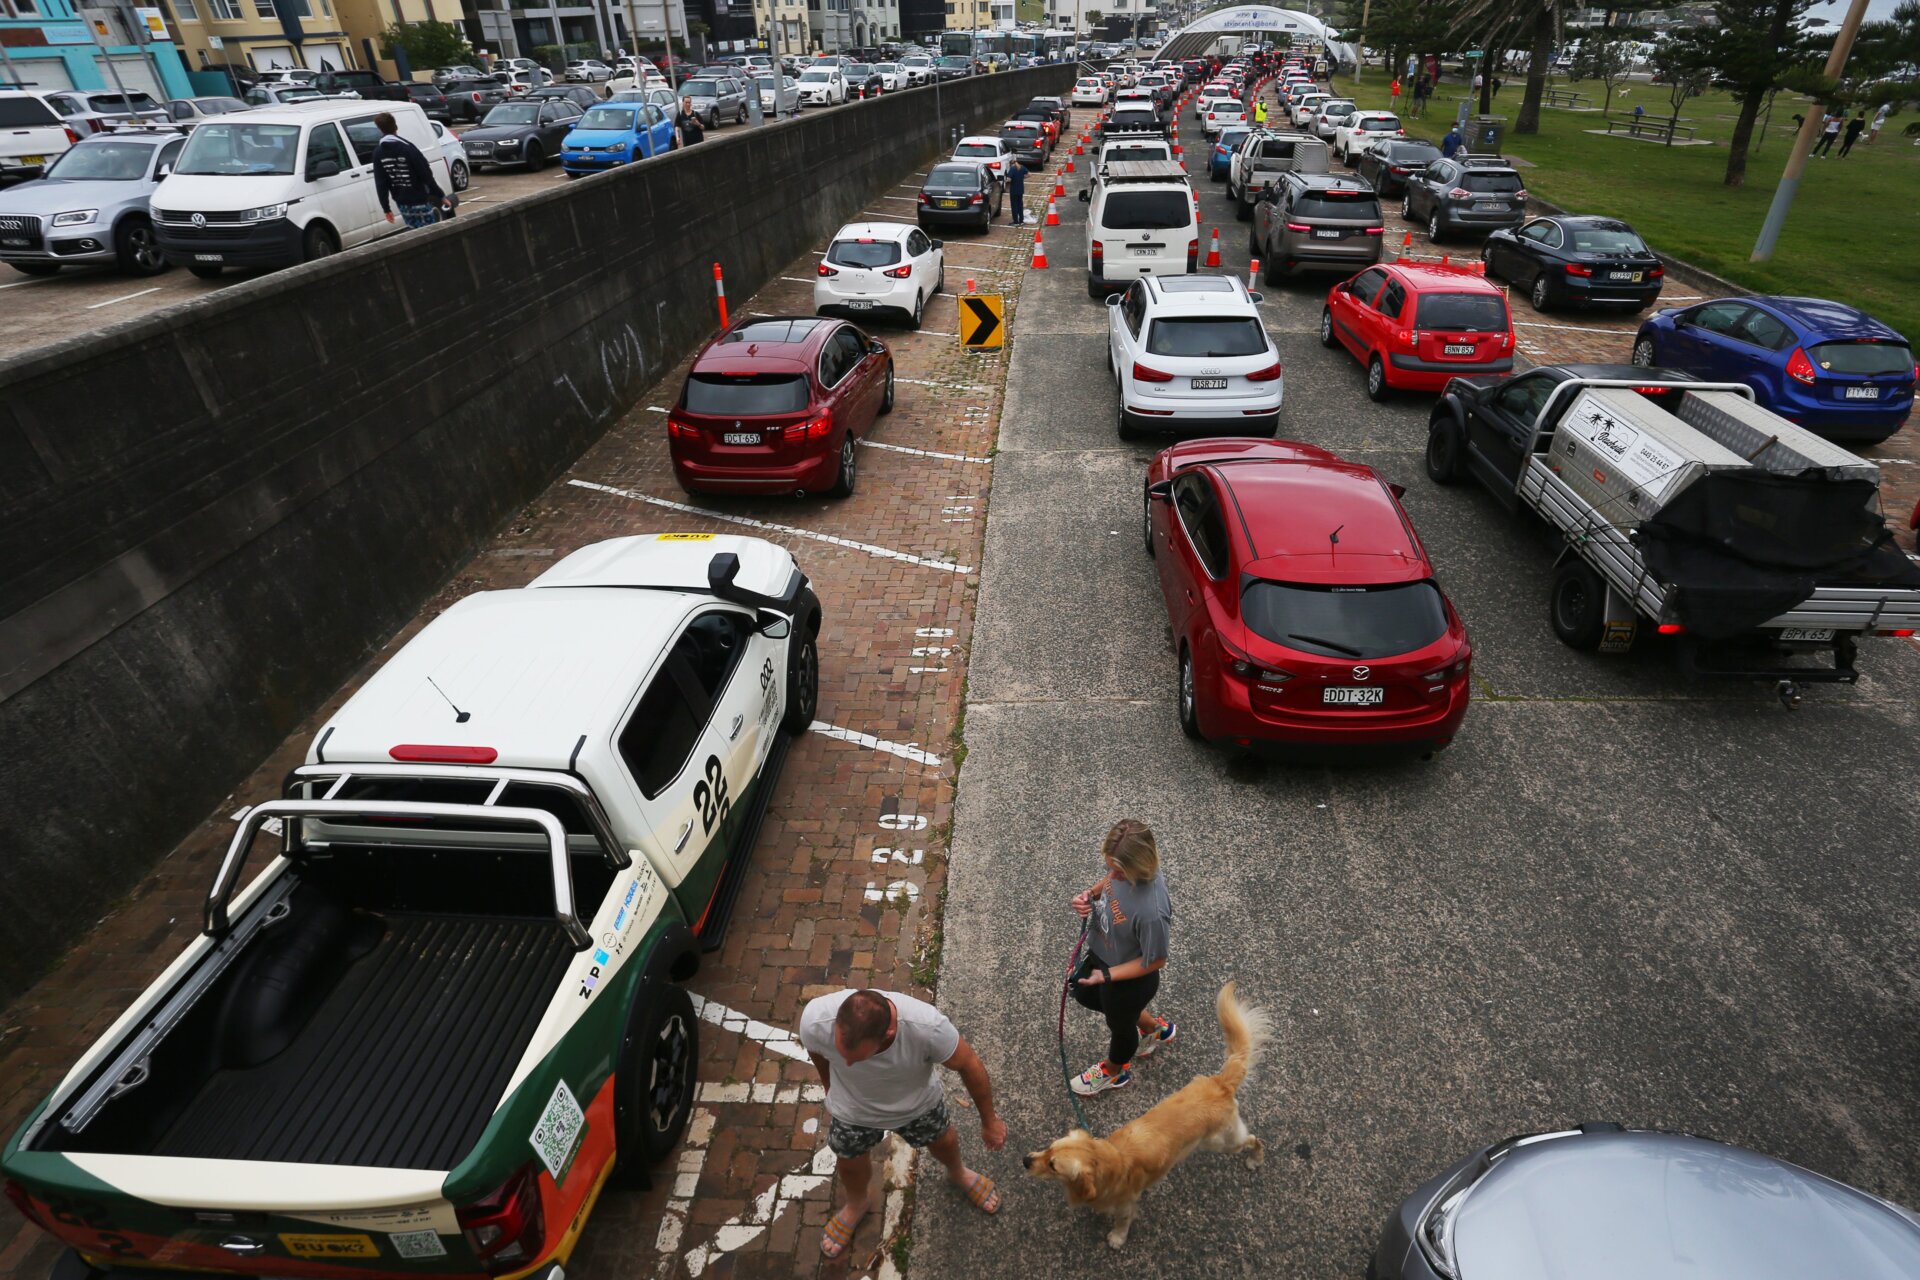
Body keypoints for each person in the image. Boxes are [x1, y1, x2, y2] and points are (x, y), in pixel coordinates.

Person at [800, 989, 1005, 1260]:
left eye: (857, 1058)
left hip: (918, 1106)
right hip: (853, 1109)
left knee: (944, 1141)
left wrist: (989, 1120)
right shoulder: (816, 1019)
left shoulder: (927, 1027)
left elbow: (969, 1064)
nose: (847, 1064)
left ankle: (958, 1172)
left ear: (888, 1034)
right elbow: (817, 1052)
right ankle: (857, 1203)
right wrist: (830, 1086)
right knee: (848, 1161)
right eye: (842, 1054)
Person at [1067, 819, 1176, 1096]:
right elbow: (1109, 883)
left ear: (1139, 865)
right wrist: (1089, 895)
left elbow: (1156, 960)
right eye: (1109, 867)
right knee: (1085, 995)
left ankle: (1115, 1071)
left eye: (1118, 871)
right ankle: (1153, 1029)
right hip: (1105, 957)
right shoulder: (1122, 873)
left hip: (1127, 980)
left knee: (1121, 1027)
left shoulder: (1152, 912)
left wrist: (1107, 976)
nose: (1111, 876)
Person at [370, 112, 445, 231]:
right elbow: (426, 174)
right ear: (396, 126)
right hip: (419, 198)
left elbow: (381, 183)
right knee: (430, 232)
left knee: (413, 232)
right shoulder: (408, 148)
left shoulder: (378, 153)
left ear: (380, 130)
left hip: (402, 203)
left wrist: (386, 208)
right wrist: (440, 195)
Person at [1006, 156, 1026, 225]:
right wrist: (1022, 177)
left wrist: (1007, 180)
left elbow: (1009, 179)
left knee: (1014, 206)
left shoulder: (1012, 169)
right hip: (1021, 189)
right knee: (1020, 205)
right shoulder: (1022, 167)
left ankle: (1016, 221)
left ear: (1011, 163)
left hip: (1014, 190)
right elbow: (1029, 174)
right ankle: (1021, 220)